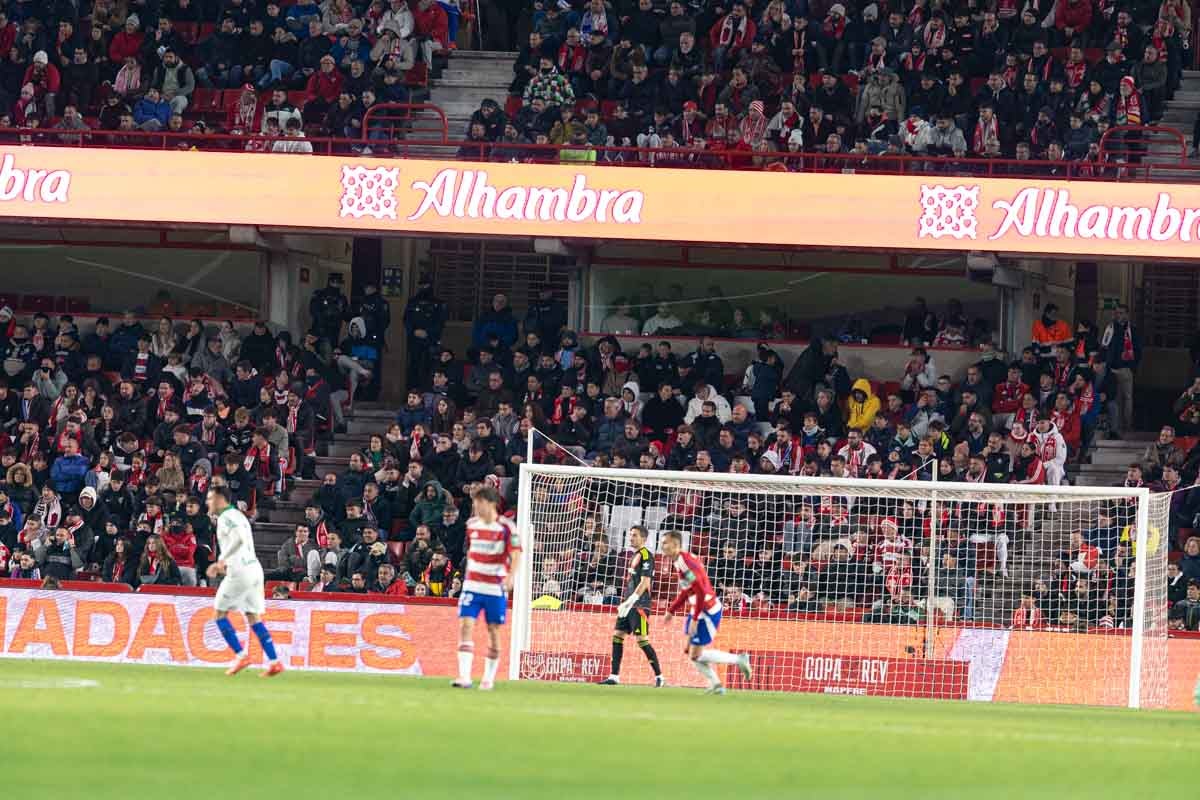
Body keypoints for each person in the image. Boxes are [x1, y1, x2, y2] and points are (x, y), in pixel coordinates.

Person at [660, 530, 752, 694]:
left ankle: (739, 659)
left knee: (696, 654)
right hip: (698, 609)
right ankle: (716, 684)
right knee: (690, 651)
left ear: (675, 544)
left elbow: (701, 591)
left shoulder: (686, 562)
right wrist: (672, 610)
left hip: (707, 610)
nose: (662, 545)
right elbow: (688, 590)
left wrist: (695, 618)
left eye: (665, 542)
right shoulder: (680, 561)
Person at [206, 485, 284, 678]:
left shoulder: (225, 517)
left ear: (219, 499)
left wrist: (221, 560)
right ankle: (274, 662)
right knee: (252, 616)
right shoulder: (239, 515)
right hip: (255, 569)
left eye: (209, 498)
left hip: (239, 570)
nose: (207, 502)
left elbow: (239, 539)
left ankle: (241, 656)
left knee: (219, 614)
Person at [453, 485, 521, 690]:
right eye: (474, 503)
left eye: (479, 502)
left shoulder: (507, 527)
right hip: (472, 585)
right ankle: (464, 677)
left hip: (494, 587)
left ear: (491, 503)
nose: (476, 506)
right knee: (465, 625)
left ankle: (488, 678)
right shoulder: (471, 524)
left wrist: (510, 576)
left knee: (493, 631)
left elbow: (516, 553)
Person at [599, 525, 665, 687]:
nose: (631, 538)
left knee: (642, 640)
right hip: (628, 603)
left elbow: (645, 582)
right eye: (630, 535)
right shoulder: (635, 555)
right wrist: (626, 601)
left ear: (643, 538)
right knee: (617, 636)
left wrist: (631, 600)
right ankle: (614, 676)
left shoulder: (646, 555)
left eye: (634, 535)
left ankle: (660, 676)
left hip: (639, 605)